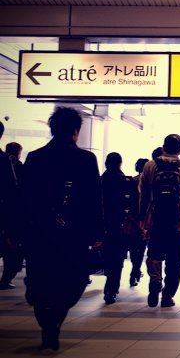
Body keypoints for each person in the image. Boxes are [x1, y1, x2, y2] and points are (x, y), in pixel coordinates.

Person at [22, 107, 103, 350]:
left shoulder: (35, 158)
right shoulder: (86, 159)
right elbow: (94, 198)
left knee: (40, 277)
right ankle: (54, 320)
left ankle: (46, 320)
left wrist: (17, 232)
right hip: (74, 234)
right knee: (72, 278)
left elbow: (23, 198)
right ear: (75, 131)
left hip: (39, 232)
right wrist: (97, 232)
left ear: (52, 129)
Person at [139, 134, 180, 308]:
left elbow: (143, 194)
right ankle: (167, 295)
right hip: (179, 223)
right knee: (175, 259)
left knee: (155, 253)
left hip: (155, 219)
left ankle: (155, 280)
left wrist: (142, 218)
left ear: (163, 147)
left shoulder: (150, 166)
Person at [101, 152, 139, 304]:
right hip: (121, 226)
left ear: (106, 164)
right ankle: (111, 288)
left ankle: (110, 283)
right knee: (117, 258)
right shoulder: (126, 182)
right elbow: (133, 204)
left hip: (104, 226)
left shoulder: (100, 181)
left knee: (108, 256)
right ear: (120, 164)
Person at [0, 123, 19, 290]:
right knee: (9, 250)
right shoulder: (3, 160)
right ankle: (5, 279)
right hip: (3, 212)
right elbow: (11, 190)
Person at [128, 158, 149, 287]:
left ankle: (135, 271)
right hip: (145, 218)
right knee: (141, 247)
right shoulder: (149, 182)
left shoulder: (132, 181)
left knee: (133, 246)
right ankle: (135, 272)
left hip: (133, 218)